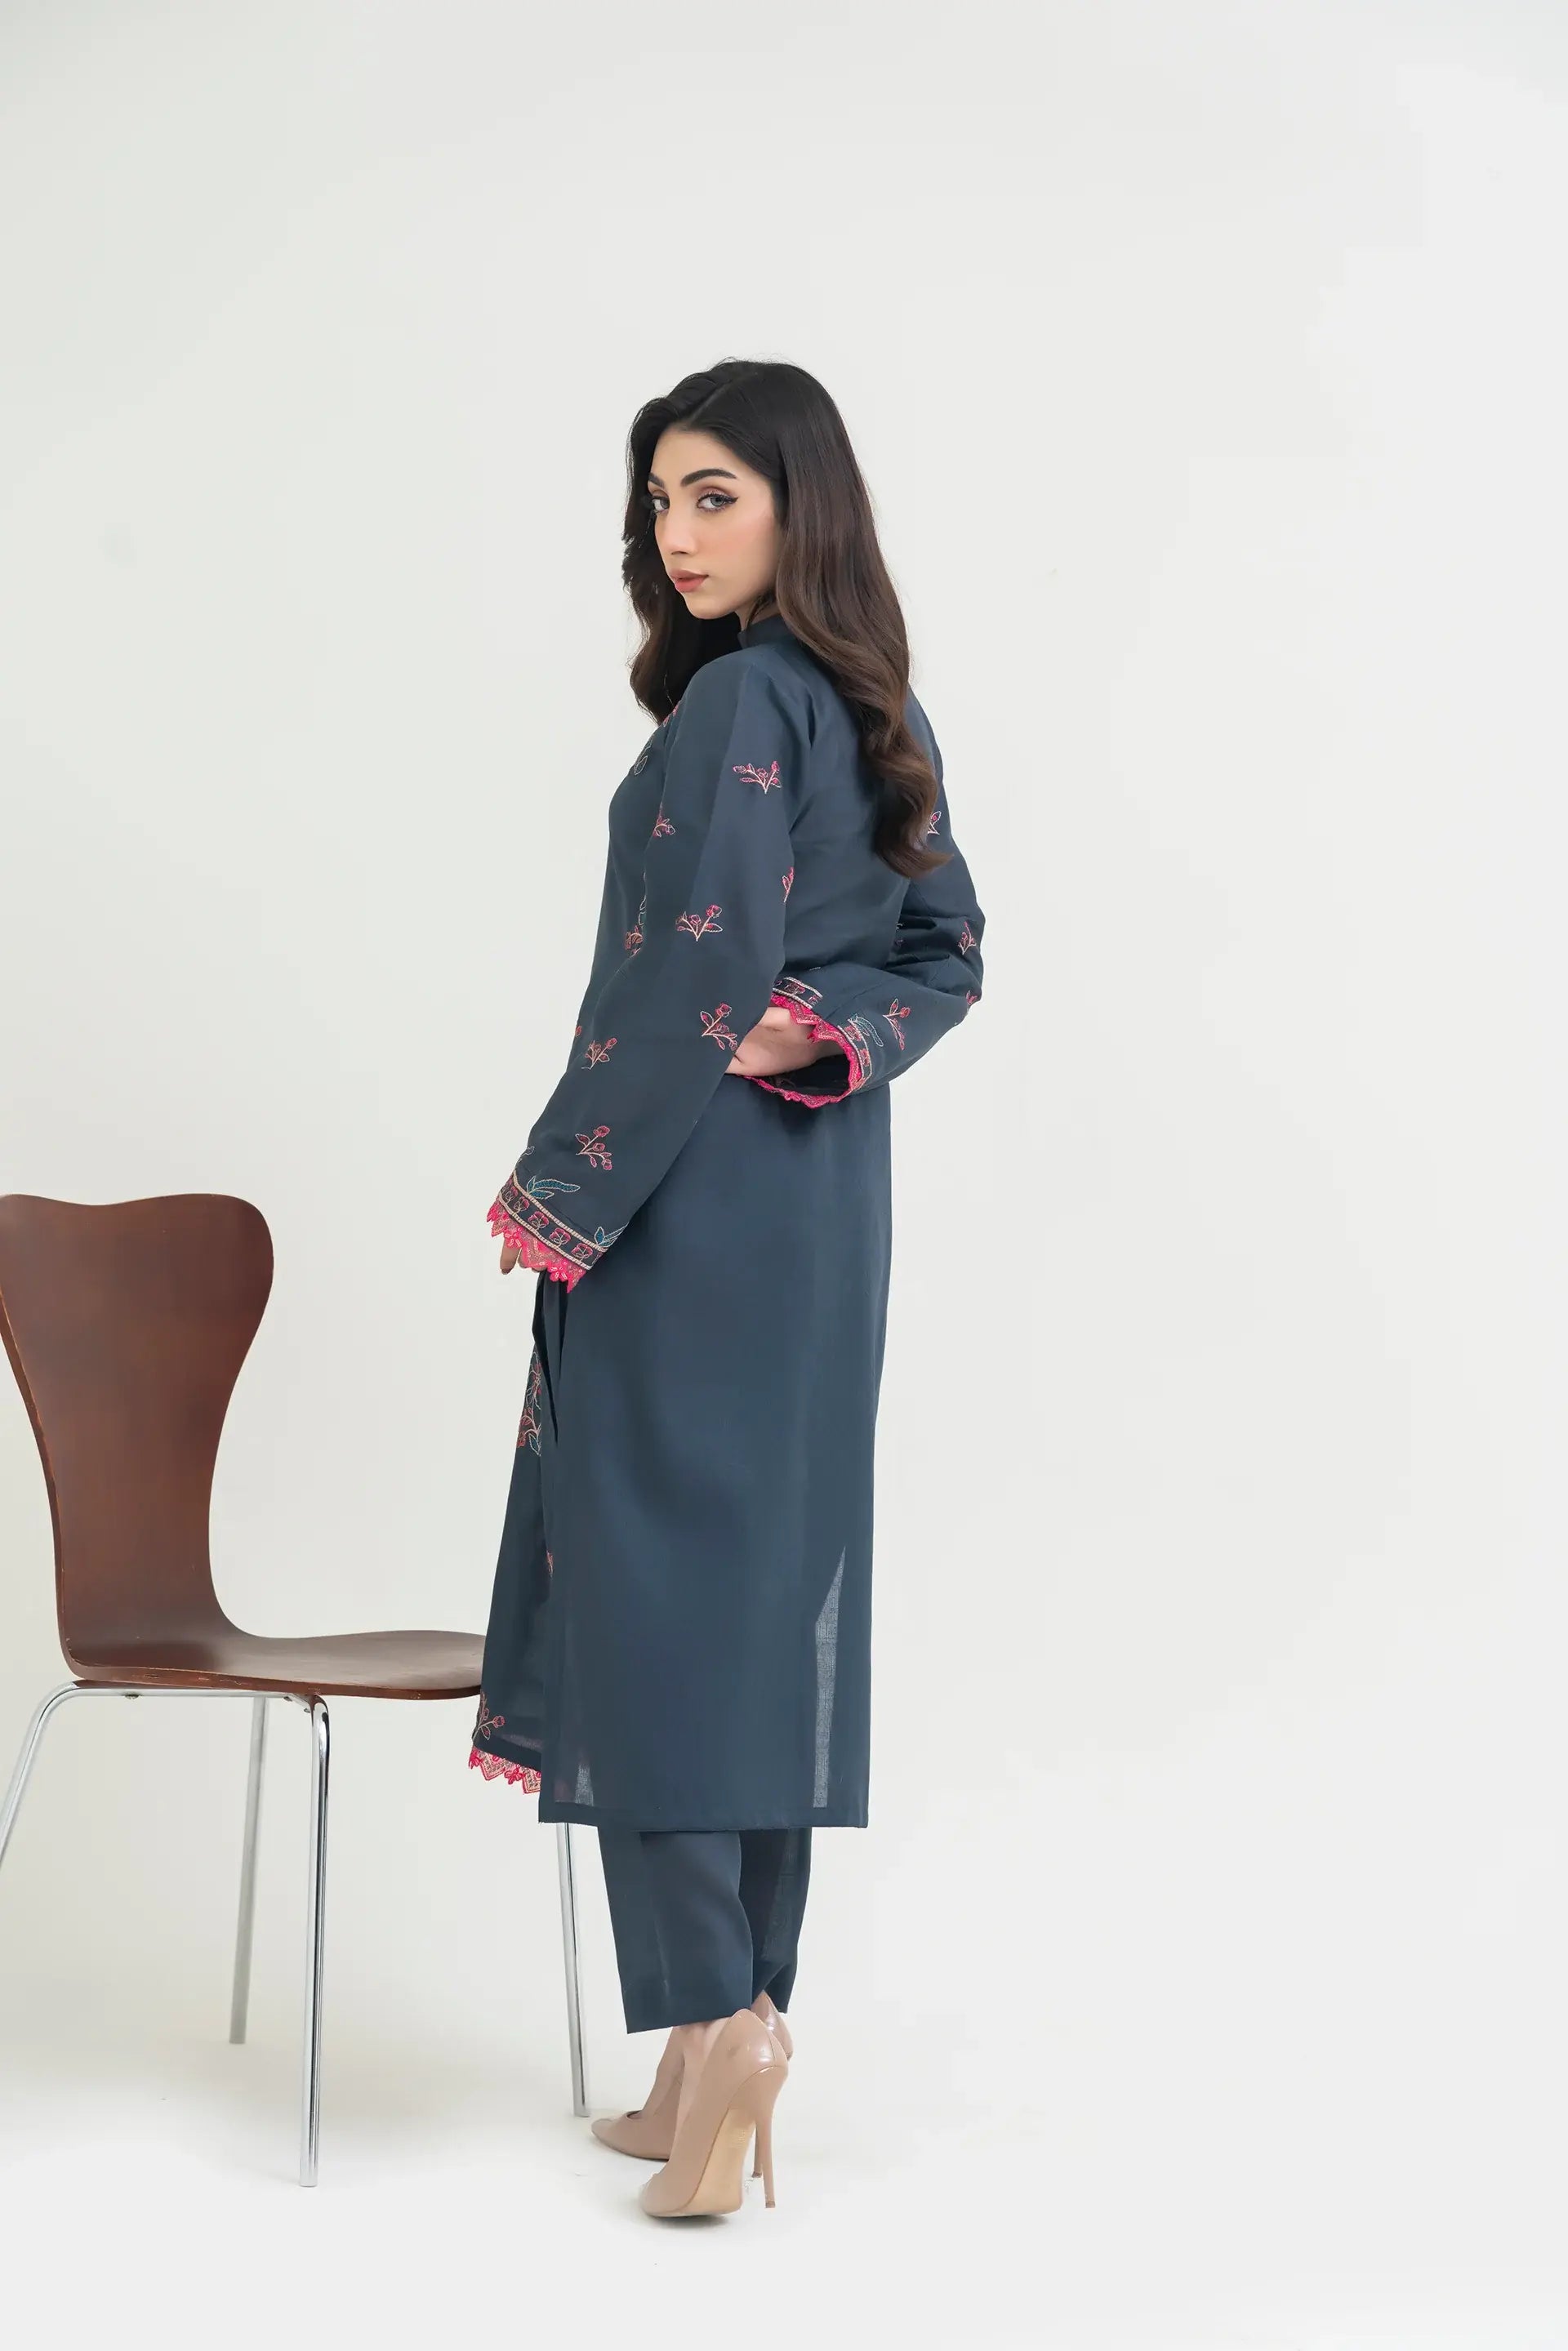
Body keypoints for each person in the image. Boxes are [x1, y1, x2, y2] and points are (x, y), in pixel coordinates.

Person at [468, 358, 986, 2220]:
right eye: (660, 501)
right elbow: (945, 954)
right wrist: (821, 1029)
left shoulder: (742, 701)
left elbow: (684, 981)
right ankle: (715, 2050)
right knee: (761, 1602)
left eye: (714, 496)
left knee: (651, 1606)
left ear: (797, 503)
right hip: (825, 1215)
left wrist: (559, 1187)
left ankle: (721, 2014)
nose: (677, 535)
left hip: (683, 1200)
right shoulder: (872, 703)